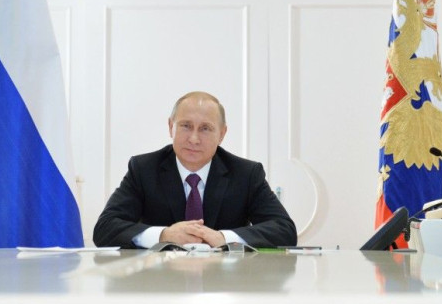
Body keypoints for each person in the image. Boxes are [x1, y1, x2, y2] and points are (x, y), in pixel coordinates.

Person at [93, 91, 297, 249]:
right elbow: (105, 229)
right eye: (186, 126)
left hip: (227, 285)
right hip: (157, 284)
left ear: (222, 134)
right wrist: (164, 235)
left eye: (205, 128)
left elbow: (284, 230)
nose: (194, 139)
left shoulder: (246, 173)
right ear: (170, 126)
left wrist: (223, 238)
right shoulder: (144, 169)